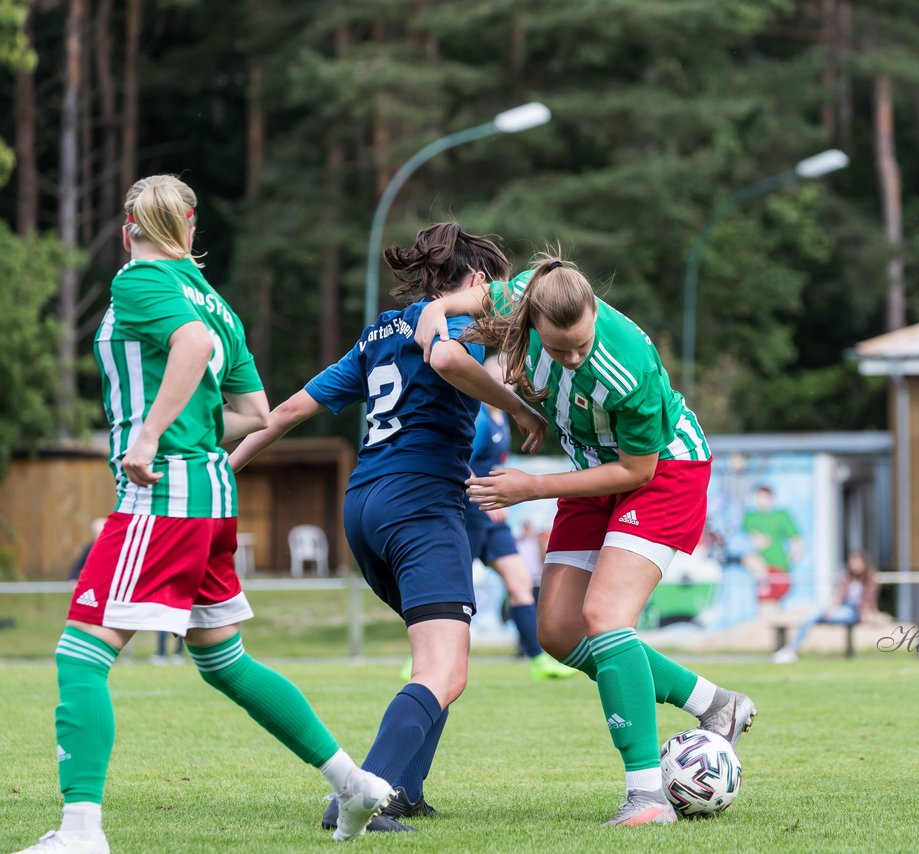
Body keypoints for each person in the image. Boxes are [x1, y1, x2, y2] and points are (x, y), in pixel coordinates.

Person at [21, 175, 391, 854]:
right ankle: (352, 781)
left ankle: (80, 834)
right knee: (224, 662)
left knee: (80, 655)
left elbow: (187, 349)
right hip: (213, 499)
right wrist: (194, 446)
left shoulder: (139, 283)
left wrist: (150, 437)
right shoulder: (216, 302)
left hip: (164, 499)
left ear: (128, 227)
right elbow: (254, 412)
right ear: (191, 229)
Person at [415, 253, 757, 826]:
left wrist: (534, 487)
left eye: (579, 346)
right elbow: (480, 298)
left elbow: (637, 472)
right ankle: (715, 705)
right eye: (558, 349)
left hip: (660, 474)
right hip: (590, 471)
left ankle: (648, 797)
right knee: (557, 631)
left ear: (595, 310)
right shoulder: (528, 296)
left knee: (605, 616)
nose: (571, 357)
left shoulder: (629, 368)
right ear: (533, 320)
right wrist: (437, 308)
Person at [229, 223, 547, 833]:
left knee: (443, 649)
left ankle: (405, 788)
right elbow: (471, 371)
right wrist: (520, 404)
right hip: (422, 503)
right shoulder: (462, 328)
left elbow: (290, 410)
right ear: (479, 282)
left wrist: (229, 467)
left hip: (364, 506)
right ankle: (362, 794)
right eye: (499, 290)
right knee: (444, 669)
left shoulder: (381, 329)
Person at [464, 356, 576, 680]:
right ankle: (421, 658)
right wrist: (486, 500)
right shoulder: (479, 418)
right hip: (470, 513)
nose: (505, 380)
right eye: (496, 374)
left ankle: (538, 660)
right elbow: (458, 462)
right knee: (455, 590)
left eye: (509, 375)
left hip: (494, 520)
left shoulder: (502, 416)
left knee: (521, 582)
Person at [772, 550, 879, 664]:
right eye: (852, 562)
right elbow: (839, 595)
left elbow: (869, 600)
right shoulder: (847, 576)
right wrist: (831, 608)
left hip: (853, 612)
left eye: (856, 562)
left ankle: (789, 650)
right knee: (810, 617)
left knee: (817, 614)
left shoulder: (870, 578)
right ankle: (790, 650)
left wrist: (870, 615)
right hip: (841, 608)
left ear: (863, 563)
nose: (854, 565)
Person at [742, 483, 804, 602]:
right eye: (759, 496)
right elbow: (747, 542)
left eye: (765, 496)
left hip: (778, 568)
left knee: (772, 607)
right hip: (761, 570)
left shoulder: (781, 516)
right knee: (765, 606)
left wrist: (789, 562)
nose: (762, 500)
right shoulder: (750, 517)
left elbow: (798, 543)